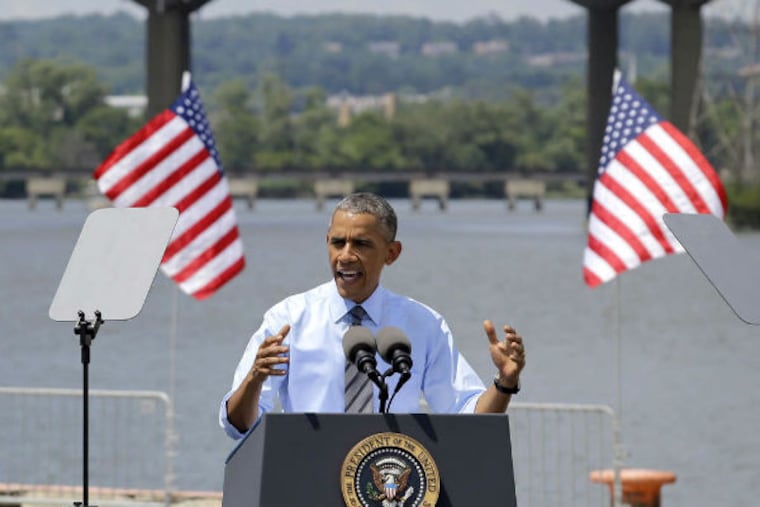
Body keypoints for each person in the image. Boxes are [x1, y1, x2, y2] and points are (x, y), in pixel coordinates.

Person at [219, 192, 526, 439]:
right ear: (327, 243)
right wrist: (254, 379)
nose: (346, 255)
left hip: (391, 486)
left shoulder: (423, 325)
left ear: (391, 253)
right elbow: (239, 425)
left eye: (362, 244)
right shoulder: (287, 319)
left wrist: (505, 382)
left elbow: (468, 417)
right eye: (338, 242)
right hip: (307, 484)